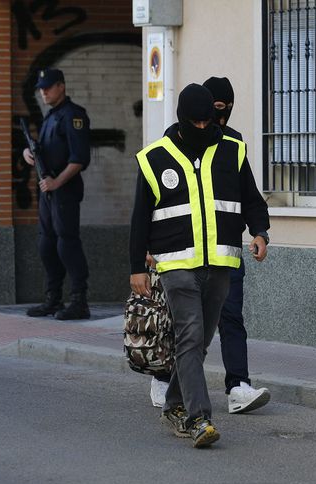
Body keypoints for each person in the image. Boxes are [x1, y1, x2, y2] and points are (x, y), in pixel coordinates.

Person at [130, 84, 270, 448]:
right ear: (182, 119)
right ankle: (198, 418)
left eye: (210, 121)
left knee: (201, 339)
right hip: (175, 264)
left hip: (221, 261)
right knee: (190, 335)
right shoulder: (154, 158)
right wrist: (136, 266)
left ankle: (174, 405)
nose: (205, 127)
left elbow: (251, 198)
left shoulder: (231, 150)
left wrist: (260, 233)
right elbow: (138, 219)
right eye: (198, 122)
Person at [204, 76, 271, 413]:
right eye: (216, 109)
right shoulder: (176, 140)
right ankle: (166, 379)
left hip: (227, 252)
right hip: (184, 255)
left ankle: (238, 387)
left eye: (227, 110)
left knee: (231, 319)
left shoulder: (235, 144)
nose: (221, 117)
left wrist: (260, 233)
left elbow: (250, 197)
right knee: (185, 324)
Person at [23, 68, 92, 320]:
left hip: (64, 191)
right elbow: (42, 150)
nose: (44, 92)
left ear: (61, 86)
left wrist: (56, 182)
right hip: (48, 190)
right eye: (41, 88)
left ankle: (79, 300)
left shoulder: (74, 117)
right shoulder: (51, 117)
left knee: (67, 243)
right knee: (46, 243)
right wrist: (28, 154)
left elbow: (79, 160)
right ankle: (53, 298)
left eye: (48, 87)